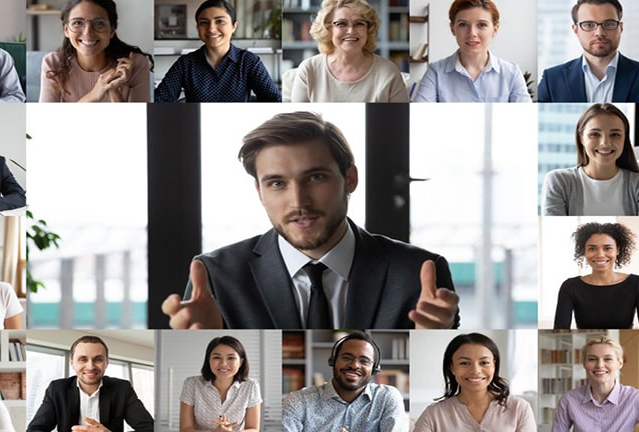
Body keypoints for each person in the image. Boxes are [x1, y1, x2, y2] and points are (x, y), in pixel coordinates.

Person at [161, 111, 459, 329]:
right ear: (259, 191)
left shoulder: (418, 273)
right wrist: (202, 341)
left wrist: (431, 342)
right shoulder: (217, 275)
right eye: (277, 183)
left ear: (350, 178)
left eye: (316, 177)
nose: (299, 202)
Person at [537, 0, 639, 103]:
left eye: (609, 24)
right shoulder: (552, 79)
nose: (599, 33)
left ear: (620, 28)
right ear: (576, 30)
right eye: (588, 25)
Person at [541, 103, 639, 216]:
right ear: (581, 138)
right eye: (595, 134)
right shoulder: (558, 181)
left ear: (625, 139)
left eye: (615, 135)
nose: (605, 143)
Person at [154, 0, 281, 102]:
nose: (211, 29)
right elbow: (160, 100)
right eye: (204, 23)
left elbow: (274, 100)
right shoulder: (185, 64)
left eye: (220, 21)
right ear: (198, 27)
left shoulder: (248, 61)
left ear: (234, 26)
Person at [283, 331, 407, 431]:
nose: (354, 365)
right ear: (333, 361)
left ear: (374, 369)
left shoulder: (387, 398)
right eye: (347, 358)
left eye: (364, 361)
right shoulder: (299, 401)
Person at [27, 335, 154, 432]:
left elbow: (150, 429)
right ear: (72, 362)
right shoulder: (57, 389)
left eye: (98, 359)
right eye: (83, 359)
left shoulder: (121, 389)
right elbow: (35, 429)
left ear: (106, 362)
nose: (90, 366)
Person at [413, 333, 536, 432]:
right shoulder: (433, 415)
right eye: (464, 363)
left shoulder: (519, 408)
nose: (475, 371)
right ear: (451, 367)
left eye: (484, 363)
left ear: (494, 365)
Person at [290, 0, 408, 102]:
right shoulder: (309, 69)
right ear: (328, 29)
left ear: (368, 29)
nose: (351, 31)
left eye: (359, 24)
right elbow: (298, 120)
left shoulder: (388, 71)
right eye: (341, 23)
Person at [415, 0, 530, 102]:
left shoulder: (512, 73)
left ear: (495, 30)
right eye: (463, 24)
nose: (472, 33)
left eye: (481, 25)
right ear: (452, 29)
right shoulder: (435, 72)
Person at [40, 0, 154, 102]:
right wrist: (95, 94)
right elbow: (46, 122)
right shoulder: (53, 63)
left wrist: (113, 89)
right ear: (66, 30)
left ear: (112, 30)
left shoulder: (135, 63)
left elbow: (135, 123)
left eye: (99, 23)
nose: (88, 33)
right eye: (78, 23)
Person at [553, 222, 639, 329]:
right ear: (584, 251)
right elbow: (560, 330)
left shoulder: (638, 284)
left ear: (618, 250)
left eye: (607, 248)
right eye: (592, 248)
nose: (600, 255)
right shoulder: (570, 287)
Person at [552, 335, 639, 432]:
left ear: (619, 363)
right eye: (592, 359)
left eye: (608, 359)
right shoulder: (569, 399)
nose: (600, 365)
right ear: (584, 364)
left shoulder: (635, 398)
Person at [180, 336, 261, 431]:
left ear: (241, 362)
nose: (223, 364)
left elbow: (253, 429)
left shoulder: (251, 386)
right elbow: (185, 429)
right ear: (208, 360)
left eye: (231, 358)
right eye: (217, 357)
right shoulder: (192, 384)